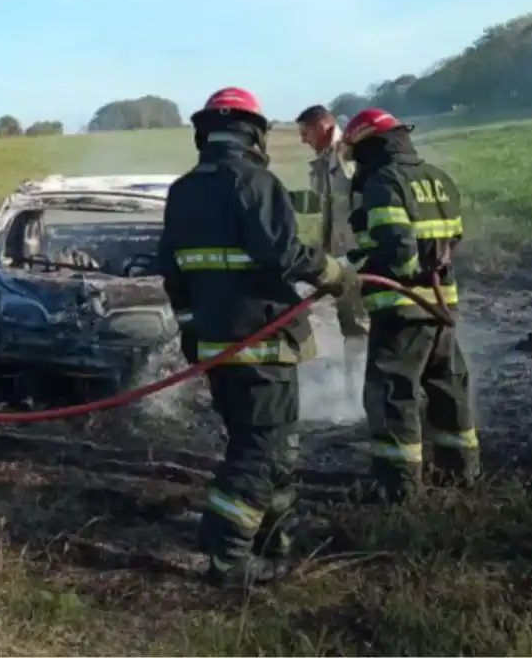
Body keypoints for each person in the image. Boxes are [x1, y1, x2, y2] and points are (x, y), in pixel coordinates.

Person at [157, 87, 360, 587]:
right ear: (253, 132)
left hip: (214, 343)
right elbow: (283, 253)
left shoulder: (182, 191)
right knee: (261, 451)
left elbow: (173, 272)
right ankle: (228, 554)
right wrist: (336, 274)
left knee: (271, 444)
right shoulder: (255, 181)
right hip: (261, 342)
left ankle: (275, 538)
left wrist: (190, 332)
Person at [340, 107, 480, 503]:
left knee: (390, 392)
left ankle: (399, 487)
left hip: (401, 307)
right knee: (448, 387)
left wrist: (385, 268)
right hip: (441, 306)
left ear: (369, 144)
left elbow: (399, 250)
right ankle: (462, 471)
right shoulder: (438, 178)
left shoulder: (385, 180)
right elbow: (452, 238)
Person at [295, 104, 369, 394]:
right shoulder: (325, 161)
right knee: (348, 320)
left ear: (323, 127)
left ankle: (366, 387)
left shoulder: (350, 156)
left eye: (305, 132)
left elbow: (365, 202)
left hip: (358, 256)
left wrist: (361, 253)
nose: (302, 140)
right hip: (338, 257)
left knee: (359, 322)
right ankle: (355, 384)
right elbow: (321, 204)